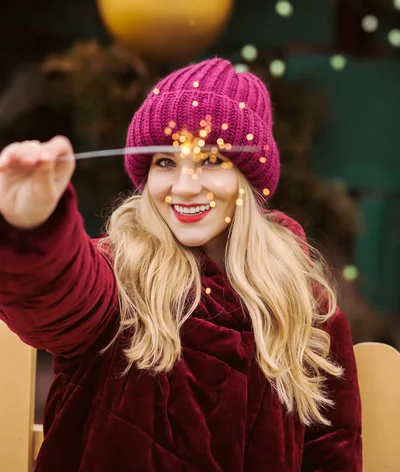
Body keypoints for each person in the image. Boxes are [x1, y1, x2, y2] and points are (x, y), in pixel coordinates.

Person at [0, 58, 361, 471]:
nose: (185, 187)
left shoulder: (304, 306)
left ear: (247, 177)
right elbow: (55, 298)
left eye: (211, 161)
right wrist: (34, 227)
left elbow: (332, 454)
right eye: (166, 162)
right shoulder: (118, 273)